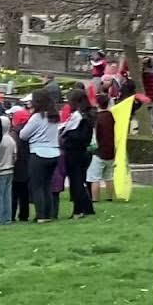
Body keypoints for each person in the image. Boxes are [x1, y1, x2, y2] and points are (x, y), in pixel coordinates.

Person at [20, 90, 61, 223]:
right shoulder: (54, 116)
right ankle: (48, 214)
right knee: (47, 185)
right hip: (54, 153)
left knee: (37, 186)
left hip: (39, 153)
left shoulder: (37, 117)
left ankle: (41, 215)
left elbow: (23, 135)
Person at [62, 88, 95, 219]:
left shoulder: (80, 117)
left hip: (75, 152)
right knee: (80, 181)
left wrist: (67, 135)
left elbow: (79, 136)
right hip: (82, 152)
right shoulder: (87, 115)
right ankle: (87, 208)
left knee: (76, 182)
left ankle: (79, 210)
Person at [87, 94, 116, 202]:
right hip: (111, 150)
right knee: (109, 176)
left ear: (97, 103)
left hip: (99, 151)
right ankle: (110, 197)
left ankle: (95, 199)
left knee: (94, 177)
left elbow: (95, 135)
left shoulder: (96, 118)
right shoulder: (113, 117)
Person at [0, 116, 16, 225]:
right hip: (10, 170)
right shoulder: (11, 139)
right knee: (7, 195)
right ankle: (7, 218)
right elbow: (15, 156)